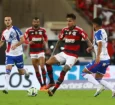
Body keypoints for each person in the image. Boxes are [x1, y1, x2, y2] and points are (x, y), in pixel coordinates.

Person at [46, 13, 92, 96]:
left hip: (73, 56)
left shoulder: (79, 30)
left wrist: (90, 47)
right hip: (64, 53)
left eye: (70, 21)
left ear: (74, 21)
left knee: (64, 70)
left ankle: (54, 90)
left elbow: (87, 40)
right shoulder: (64, 30)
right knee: (48, 63)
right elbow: (59, 41)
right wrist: (53, 54)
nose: (68, 23)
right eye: (67, 21)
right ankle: (52, 82)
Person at [82, 17, 115, 97]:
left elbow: (100, 44)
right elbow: (100, 44)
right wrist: (92, 47)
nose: (92, 26)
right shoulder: (103, 31)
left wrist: (98, 56)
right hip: (107, 59)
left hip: (101, 59)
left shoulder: (97, 33)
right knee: (98, 78)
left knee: (84, 72)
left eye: (93, 24)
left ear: (95, 25)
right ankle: (113, 90)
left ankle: (98, 86)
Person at [0, 16, 29, 94]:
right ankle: (6, 87)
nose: (7, 21)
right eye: (6, 20)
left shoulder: (16, 29)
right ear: (4, 21)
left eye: (8, 20)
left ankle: (25, 70)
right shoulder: (4, 32)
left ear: (11, 21)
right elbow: (2, 41)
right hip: (9, 54)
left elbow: (23, 40)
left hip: (18, 54)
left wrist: (16, 45)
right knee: (8, 69)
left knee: (21, 72)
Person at [24, 17, 49, 91]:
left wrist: (45, 41)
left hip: (41, 51)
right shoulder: (28, 30)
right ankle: (41, 86)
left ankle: (44, 84)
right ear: (32, 22)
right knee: (36, 70)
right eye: (34, 22)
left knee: (42, 67)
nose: (36, 23)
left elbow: (46, 38)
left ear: (39, 22)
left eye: (37, 22)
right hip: (32, 52)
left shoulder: (42, 30)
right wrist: (28, 42)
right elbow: (24, 39)